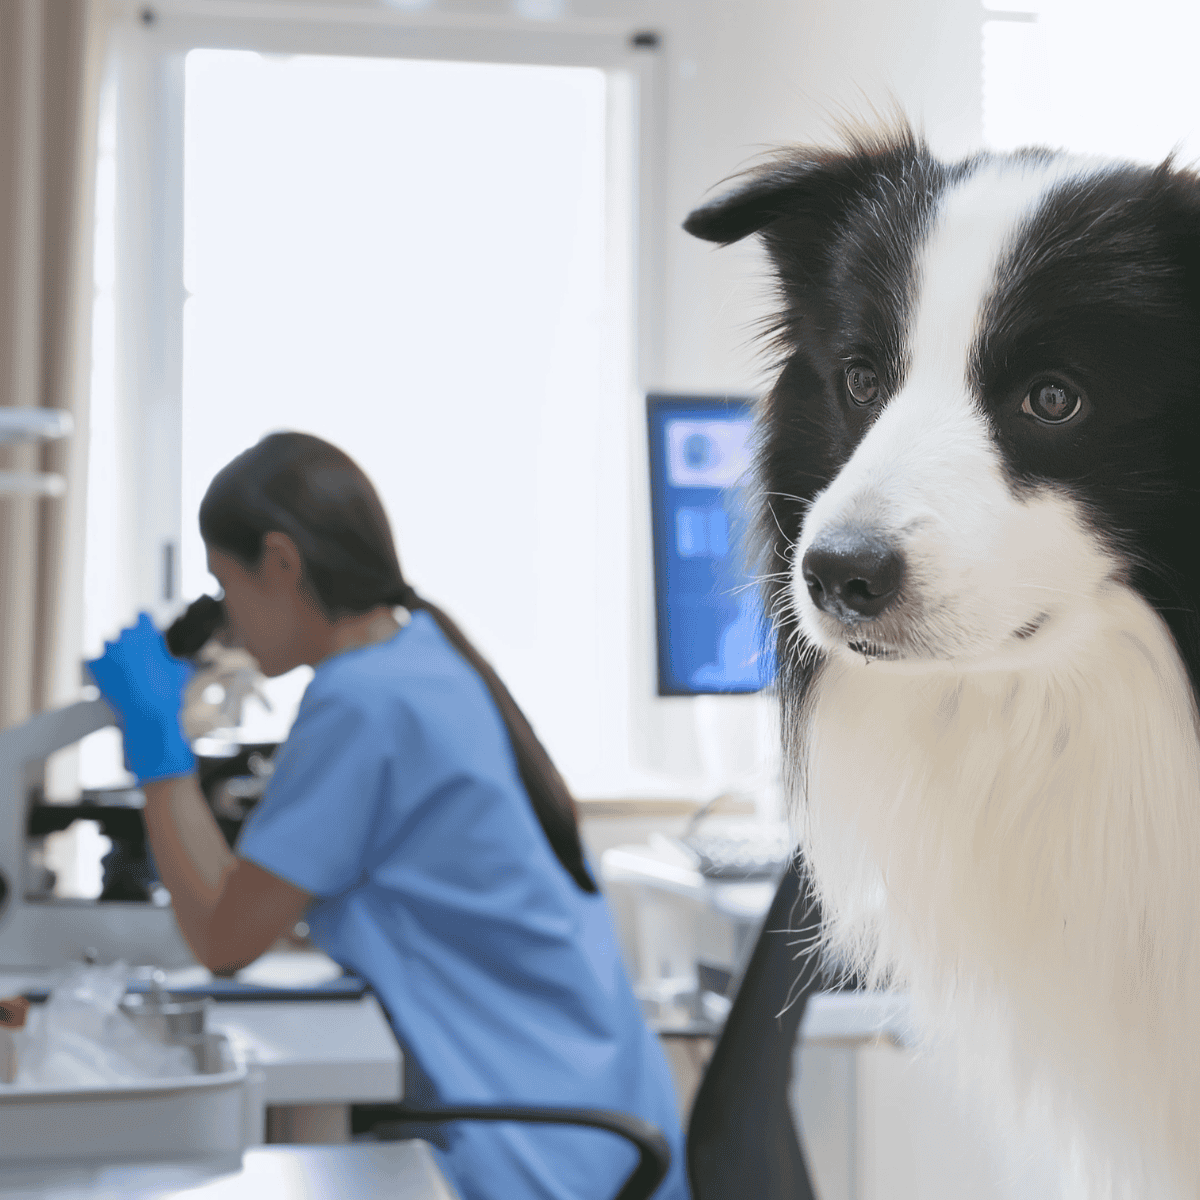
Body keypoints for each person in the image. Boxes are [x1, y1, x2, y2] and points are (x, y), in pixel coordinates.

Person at [86, 431, 690, 1200]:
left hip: (535, 1148)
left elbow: (220, 937)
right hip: (597, 1115)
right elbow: (241, 902)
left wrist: (158, 750)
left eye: (224, 583)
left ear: (280, 562)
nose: (227, 619)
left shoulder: (359, 703)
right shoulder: (421, 655)